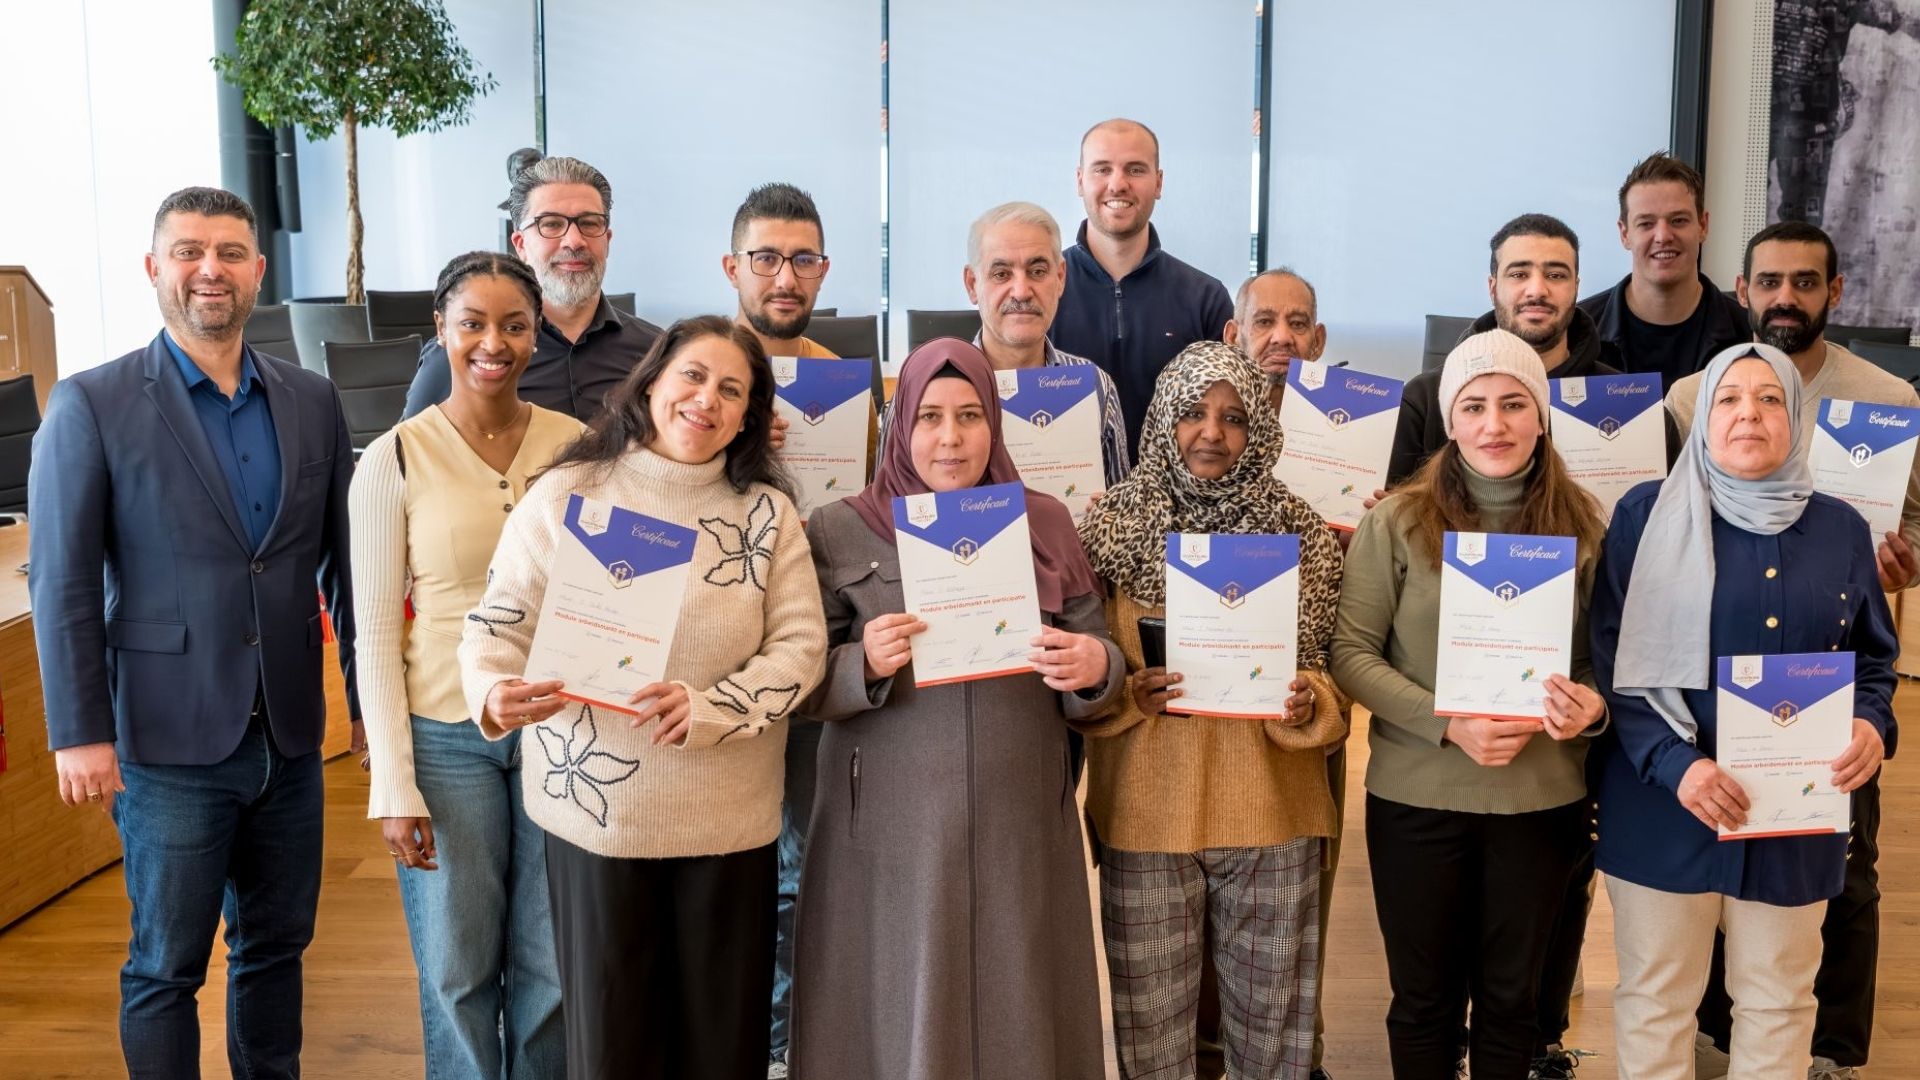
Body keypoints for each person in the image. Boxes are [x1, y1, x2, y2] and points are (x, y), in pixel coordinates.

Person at [29, 185, 359, 1077]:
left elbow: (342, 565)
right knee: (166, 967)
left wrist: (364, 704)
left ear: (257, 270)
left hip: (288, 735)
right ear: (154, 269)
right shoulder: (91, 405)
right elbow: (60, 580)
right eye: (187, 251)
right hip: (168, 740)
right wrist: (80, 733)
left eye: (227, 252)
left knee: (277, 948)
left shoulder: (311, 399)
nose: (208, 269)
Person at [458, 315, 828, 1080]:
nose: (707, 400)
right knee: (614, 1043)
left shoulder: (767, 515)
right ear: (652, 381)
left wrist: (713, 706)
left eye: (732, 389)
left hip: (727, 820)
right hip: (600, 823)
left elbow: (802, 650)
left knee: (721, 1043)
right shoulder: (568, 494)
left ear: (751, 413)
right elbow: (495, 624)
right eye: (692, 376)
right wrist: (496, 689)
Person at [788, 338, 1123, 1080]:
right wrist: (861, 663)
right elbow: (800, 681)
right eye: (930, 417)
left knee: (1022, 993)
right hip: (887, 824)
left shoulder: (1045, 523)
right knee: (894, 998)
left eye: (970, 416)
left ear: (995, 424)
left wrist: (1095, 666)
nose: (950, 437)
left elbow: (1099, 659)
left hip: (1018, 818)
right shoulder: (841, 528)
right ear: (899, 424)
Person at [1590, 342, 1895, 1079]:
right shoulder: (1643, 515)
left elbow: (1873, 661)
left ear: (1793, 415)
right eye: (1728, 398)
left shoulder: (1843, 530)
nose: (1748, 413)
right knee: (1658, 1000)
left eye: (1767, 398)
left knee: (1780, 1001)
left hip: (1793, 811)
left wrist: (1870, 725)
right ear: (1702, 418)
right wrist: (1677, 766)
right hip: (1664, 802)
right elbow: (1611, 665)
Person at [1666, 222, 1914, 1080]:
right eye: (1769, 281)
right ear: (1742, 289)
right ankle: (1716, 1034)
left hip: (1827, 681)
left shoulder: (1892, 398)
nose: (1785, 298)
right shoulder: (1694, 396)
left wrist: (1902, 559)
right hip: (1714, 676)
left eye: (1805, 283)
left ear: (1834, 293)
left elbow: (1915, 524)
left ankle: (1834, 1053)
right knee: (1713, 854)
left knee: (1844, 864)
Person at [1331, 329, 1609, 1079]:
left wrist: (1591, 705)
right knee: (1422, 1002)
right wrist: (1446, 721)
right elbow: (1350, 654)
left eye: (1514, 404)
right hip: (1418, 799)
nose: (1495, 424)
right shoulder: (1397, 522)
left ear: (1541, 416)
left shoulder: (1586, 526)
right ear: (1449, 420)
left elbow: (1603, 666)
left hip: (1541, 800)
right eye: (1475, 406)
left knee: (1513, 1002)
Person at [1075, 340, 1346, 1079]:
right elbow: (1078, 679)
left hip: (1272, 813)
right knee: (1152, 1047)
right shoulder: (1106, 532)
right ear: (1163, 418)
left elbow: (1331, 678)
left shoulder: (1305, 535)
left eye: (1233, 417)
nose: (1212, 434)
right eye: (1193, 413)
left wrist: (1307, 704)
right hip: (1145, 814)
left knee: (1275, 1049)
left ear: (1259, 428)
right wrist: (1124, 693)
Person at [351, 252, 579, 1077]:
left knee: (552, 967)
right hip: (445, 740)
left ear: (537, 335)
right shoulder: (393, 459)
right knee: (457, 969)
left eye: (515, 325)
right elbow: (374, 632)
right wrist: (392, 784)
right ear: (441, 332)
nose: (495, 342)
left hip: (561, 731)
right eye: (473, 323)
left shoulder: (578, 448)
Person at [721, 180, 838, 1076]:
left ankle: (782, 1054)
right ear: (734, 267)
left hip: (814, 655)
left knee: (800, 868)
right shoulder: (698, 377)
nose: (783, 275)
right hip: (712, 659)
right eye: (766, 256)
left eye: (801, 259)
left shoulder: (848, 386)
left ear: (823, 271)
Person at [403, 155, 662, 421]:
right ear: (520, 245)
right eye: (550, 224)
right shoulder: (466, 353)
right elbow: (408, 453)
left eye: (589, 223)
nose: (574, 241)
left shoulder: (656, 350)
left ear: (607, 240)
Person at [1391, 213, 1618, 486]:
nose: (1537, 290)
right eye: (1519, 274)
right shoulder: (1422, 401)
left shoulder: (1626, 403)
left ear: (1576, 288)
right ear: (1493, 287)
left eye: (1555, 275)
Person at [1053, 118, 1234, 452]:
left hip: (1179, 502)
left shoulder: (1206, 299)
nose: (1118, 184)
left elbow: (1230, 420)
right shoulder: (1044, 295)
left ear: (1159, 182)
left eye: (1135, 169)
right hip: (1067, 500)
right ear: (1080, 181)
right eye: (1102, 169)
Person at [1578, 153, 1749, 386]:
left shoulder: (1749, 334)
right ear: (1625, 233)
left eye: (1678, 220)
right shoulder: (1578, 333)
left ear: (1703, 226)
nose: (1663, 236)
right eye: (1646, 223)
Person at [1225, 267, 1326, 412]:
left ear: (1318, 342)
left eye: (1297, 324)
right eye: (1264, 321)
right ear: (1233, 337)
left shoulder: (1344, 423)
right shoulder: (1208, 422)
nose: (1282, 337)